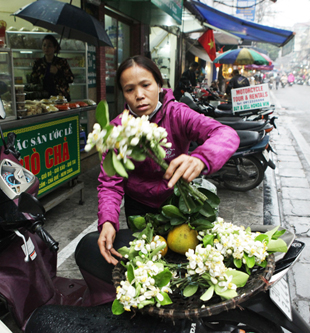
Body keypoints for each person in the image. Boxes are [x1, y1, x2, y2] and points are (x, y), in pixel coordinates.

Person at [75, 55, 239, 285]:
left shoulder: (177, 114)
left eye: (146, 85)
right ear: (123, 93)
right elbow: (110, 183)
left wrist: (202, 158)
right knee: (148, 264)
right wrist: (108, 221)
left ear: (159, 85)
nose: (139, 95)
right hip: (138, 208)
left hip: (178, 204)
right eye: (129, 89)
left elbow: (225, 134)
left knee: (183, 262)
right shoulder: (116, 131)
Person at [30, 35, 74, 100]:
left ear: (55, 47)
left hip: (60, 98)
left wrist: (58, 72)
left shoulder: (62, 62)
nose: (46, 48)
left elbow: (70, 79)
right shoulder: (38, 63)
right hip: (43, 99)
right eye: (44, 45)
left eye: (49, 46)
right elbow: (32, 80)